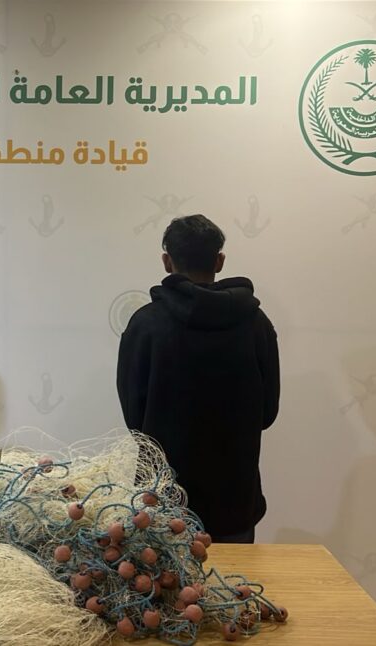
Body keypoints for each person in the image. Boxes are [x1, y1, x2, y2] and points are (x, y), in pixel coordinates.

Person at [116, 214, 279, 543]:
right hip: (235, 499)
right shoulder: (256, 324)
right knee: (234, 575)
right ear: (220, 261)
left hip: (162, 499)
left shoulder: (146, 324)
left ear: (167, 262)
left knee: (161, 577)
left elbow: (135, 418)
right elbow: (267, 413)